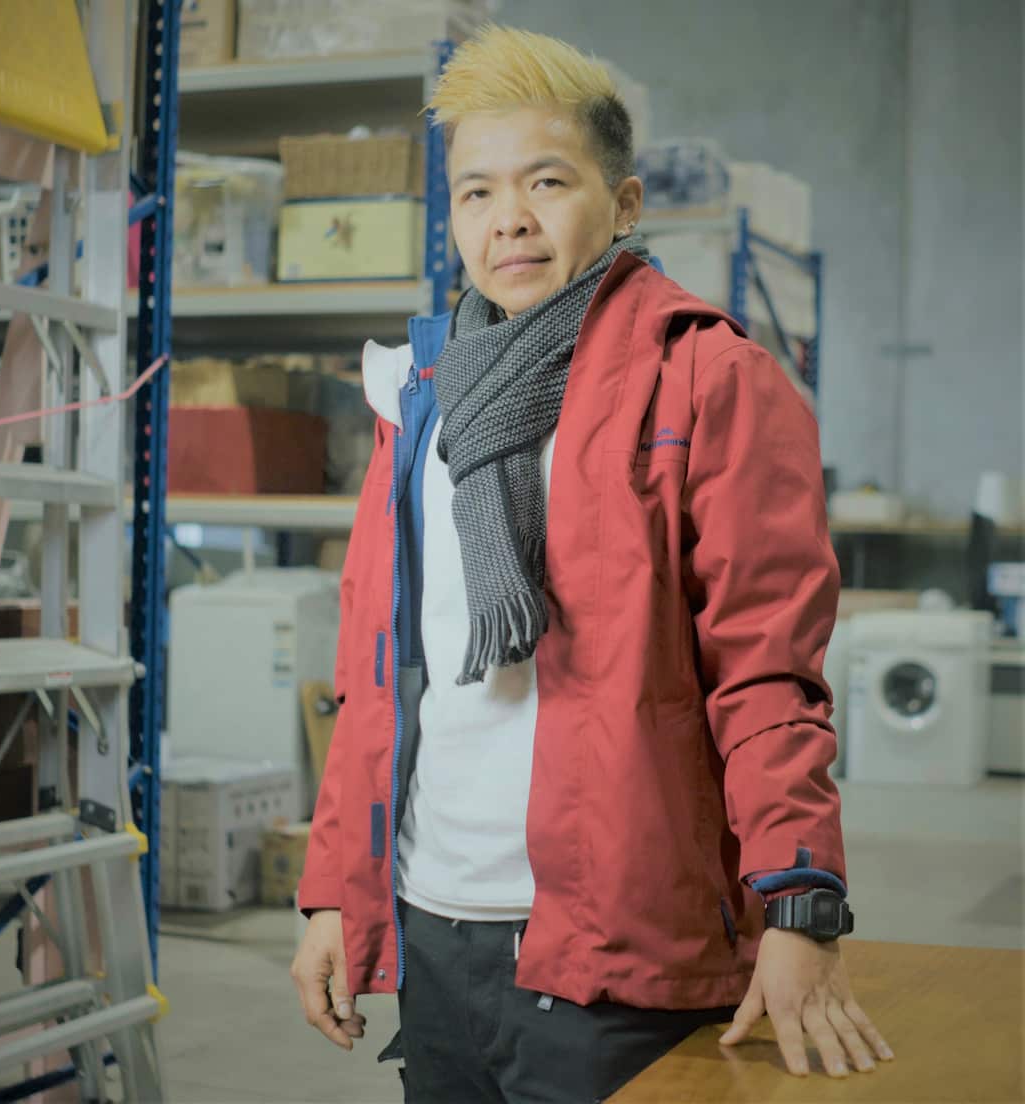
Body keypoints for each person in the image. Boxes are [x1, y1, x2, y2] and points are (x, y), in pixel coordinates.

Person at [290, 24, 893, 1103]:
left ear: (619, 204)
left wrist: (799, 900)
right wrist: (338, 892)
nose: (506, 217)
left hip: (615, 941)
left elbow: (764, 669)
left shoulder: (707, 381)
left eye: (545, 180)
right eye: (474, 193)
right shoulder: (419, 397)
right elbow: (375, 674)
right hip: (434, 919)